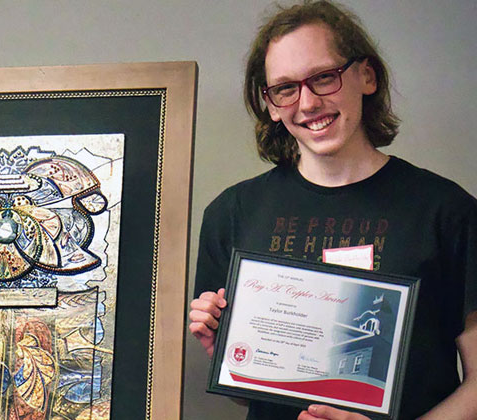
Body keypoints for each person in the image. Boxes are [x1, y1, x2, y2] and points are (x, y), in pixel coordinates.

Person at [188, 1, 477, 419]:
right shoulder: (232, 214)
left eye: (324, 77)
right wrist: (230, 356)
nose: (307, 103)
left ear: (366, 75)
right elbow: (246, 396)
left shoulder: (447, 212)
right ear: (270, 104)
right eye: (285, 88)